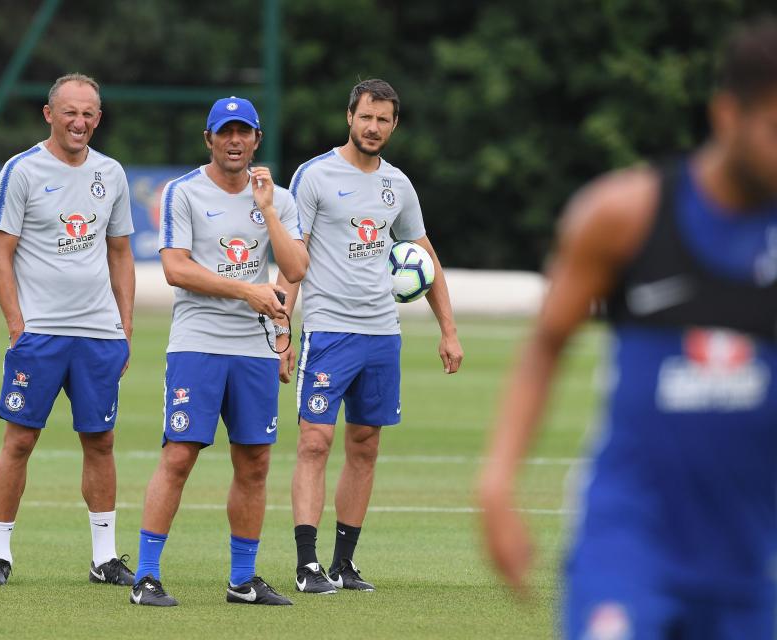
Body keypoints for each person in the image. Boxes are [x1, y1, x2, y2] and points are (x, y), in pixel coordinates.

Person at [479, 19, 777, 639]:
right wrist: (498, 483)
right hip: (628, 548)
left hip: (751, 565)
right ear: (728, 115)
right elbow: (545, 346)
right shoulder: (623, 215)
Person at [276, 79, 464, 594]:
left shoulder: (398, 186)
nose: (374, 127)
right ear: (349, 117)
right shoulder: (313, 176)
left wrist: (448, 329)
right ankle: (307, 564)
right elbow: (293, 258)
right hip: (329, 331)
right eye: (366, 117)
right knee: (315, 441)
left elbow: (425, 257)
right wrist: (280, 332)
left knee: (366, 445)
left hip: (383, 332)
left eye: (383, 120)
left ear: (394, 124)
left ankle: (343, 563)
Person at [129, 97, 309, 607]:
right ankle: (145, 576)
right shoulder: (184, 192)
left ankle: (243, 580)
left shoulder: (279, 197)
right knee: (180, 455)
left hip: (253, 347)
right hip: (198, 343)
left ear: (256, 139)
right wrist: (247, 291)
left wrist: (269, 208)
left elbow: (294, 269)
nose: (234, 141)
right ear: (208, 139)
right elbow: (175, 269)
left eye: (244, 132)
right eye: (224, 132)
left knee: (254, 461)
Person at [0, 73, 136, 587]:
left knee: (101, 441)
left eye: (89, 113)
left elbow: (121, 253)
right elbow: (1, 255)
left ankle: (104, 556)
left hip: (97, 334)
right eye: (70, 112)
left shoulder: (111, 173)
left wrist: (124, 327)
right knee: (20, 441)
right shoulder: (22, 170)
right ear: (49, 114)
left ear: (99, 119)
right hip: (40, 335)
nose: (80, 122)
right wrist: (17, 327)